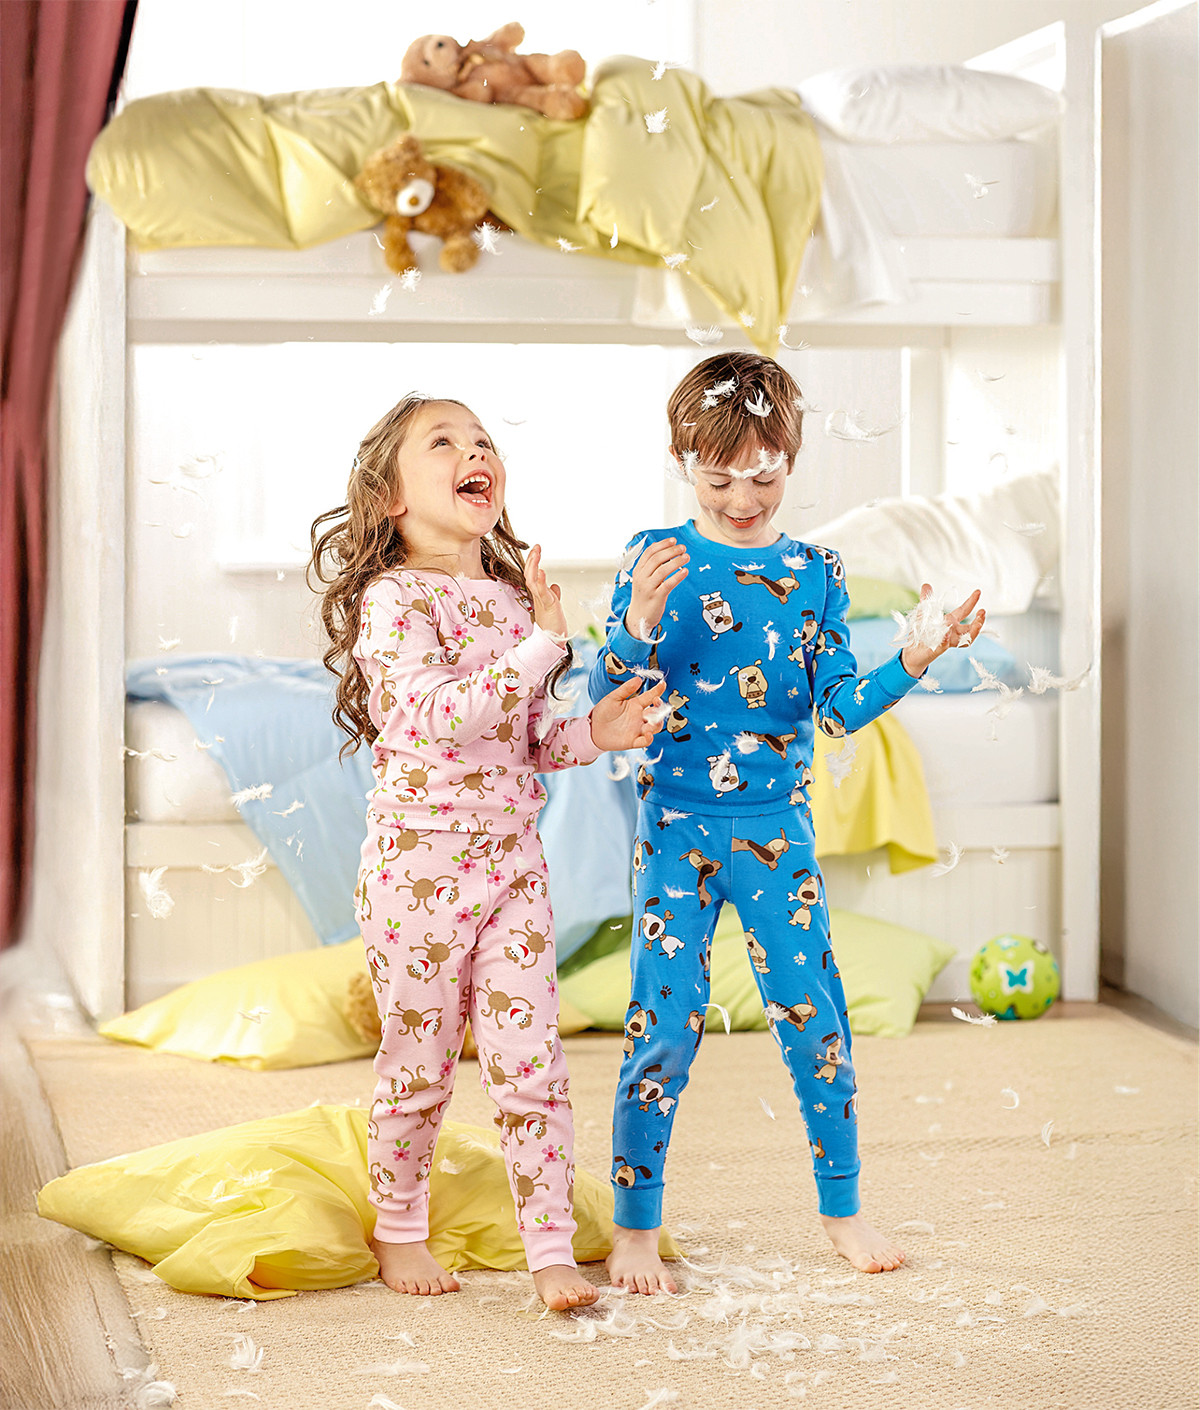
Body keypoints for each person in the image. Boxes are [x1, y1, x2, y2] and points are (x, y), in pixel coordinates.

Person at [589, 350, 985, 1293]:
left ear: (792, 461)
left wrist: (915, 657)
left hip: (779, 836)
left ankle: (842, 1210)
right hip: (675, 832)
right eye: (718, 478)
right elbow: (609, 703)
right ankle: (636, 1224)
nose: (741, 498)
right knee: (662, 1025)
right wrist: (636, 622)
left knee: (818, 1027)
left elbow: (838, 709)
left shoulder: (815, 572)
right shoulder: (653, 554)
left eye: (763, 477)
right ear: (683, 463)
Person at [310, 393, 665, 1310]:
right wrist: (543, 644)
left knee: (532, 1063)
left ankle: (549, 1247)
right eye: (443, 442)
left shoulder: (512, 602)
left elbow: (527, 736)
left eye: (483, 441)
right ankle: (399, 1230)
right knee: (420, 1063)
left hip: (512, 865)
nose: (474, 452)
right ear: (390, 497)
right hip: (416, 870)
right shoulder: (394, 600)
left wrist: (596, 731)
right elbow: (435, 715)